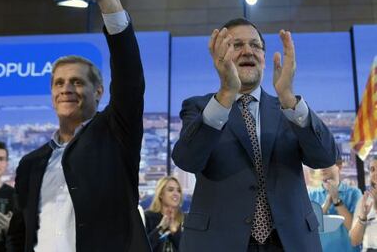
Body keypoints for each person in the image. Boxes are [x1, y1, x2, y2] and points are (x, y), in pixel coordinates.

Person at [6, 0, 151, 252]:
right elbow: (18, 234)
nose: (66, 88)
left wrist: (110, 3)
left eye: (77, 81)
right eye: (59, 82)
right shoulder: (30, 164)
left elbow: (130, 79)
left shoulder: (115, 135)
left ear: (98, 91)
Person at [172, 18, 338, 252]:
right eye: (237, 45)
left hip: (290, 243)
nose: (248, 51)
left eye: (255, 45)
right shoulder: (200, 107)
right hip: (219, 243)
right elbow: (187, 160)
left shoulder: (287, 108)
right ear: (220, 54)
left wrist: (289, 98)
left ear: (263, 57)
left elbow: (325, 157)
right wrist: (227, 92)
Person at [309, 159, 362, 252]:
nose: (322, 167)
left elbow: (355, 231)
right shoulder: (311, 195)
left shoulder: (354, 193)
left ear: (339, 166)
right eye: (319, 162)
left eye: (326, 162)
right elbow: (310, 230)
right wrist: (327, 204)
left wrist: (336, 200)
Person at [144, 176, 183, 252]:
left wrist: (175, 232)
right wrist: (160, 228)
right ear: (161, 194)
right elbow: (143, 247)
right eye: (170, 190)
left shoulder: (184, 219)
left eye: (179, 191)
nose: (176, 194)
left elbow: (187, 248)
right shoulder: (148, 217)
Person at [350, 155, 377, 251]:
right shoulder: (364, 201)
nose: (375, 173)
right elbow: (354, 241)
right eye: (372, 170)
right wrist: (363, 218)